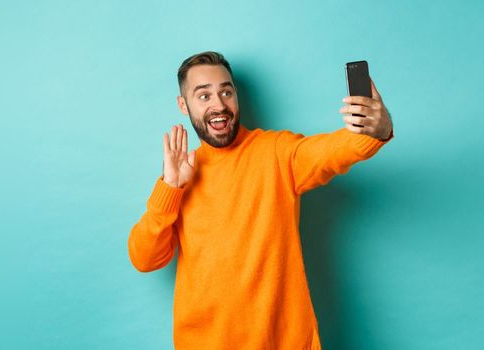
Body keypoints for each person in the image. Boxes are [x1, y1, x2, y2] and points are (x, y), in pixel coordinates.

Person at [127, 51, 393, 349]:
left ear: (236, 96)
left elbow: (334, 150)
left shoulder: (277, 152)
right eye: (203, 96)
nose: (219, 105)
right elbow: (145, 258)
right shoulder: (179, 178)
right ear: (183, 105)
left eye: (226, 92)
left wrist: (377, 131)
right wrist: (170, 187)